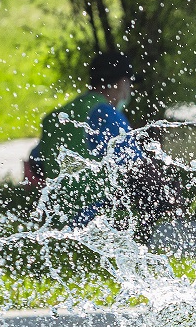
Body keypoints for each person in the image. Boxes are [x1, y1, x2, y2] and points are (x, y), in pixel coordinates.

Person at [28, 50, 174, 237]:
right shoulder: (107, 114)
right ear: (121, 83)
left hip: (57, 219)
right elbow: (138, 167)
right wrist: (168, 193)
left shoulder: (57, 116)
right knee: (153, 188)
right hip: (95, 220)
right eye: (129, 84)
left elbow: (36, 164)